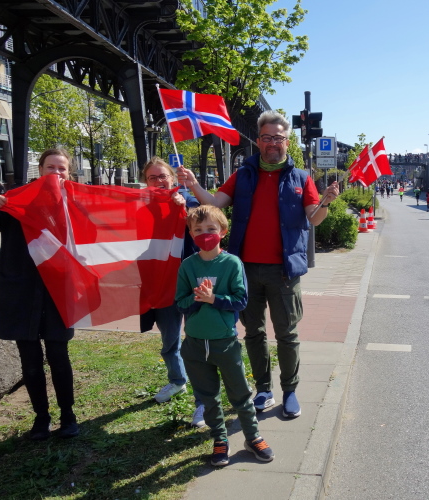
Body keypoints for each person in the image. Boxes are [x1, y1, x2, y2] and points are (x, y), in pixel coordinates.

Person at [177, 110, 339, 419]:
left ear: (287, 141)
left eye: (278, 137)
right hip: (246, 270)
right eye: (266, 137)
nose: (272, 143)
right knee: (253, 332)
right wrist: (194, 184)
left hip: (284, 271)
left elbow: (314, 217)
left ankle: (290, 391)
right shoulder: (244, 174)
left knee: (287, 334)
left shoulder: (301, 178)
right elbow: (215, 203)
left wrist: (327, 202)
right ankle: (263, 389)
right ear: (258, 141)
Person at [0, 148, 79, 440]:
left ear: (69, 172)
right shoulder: (17, 198)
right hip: (20, 292)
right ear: (40, 170)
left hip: (58, 291)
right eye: (50, 167)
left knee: (58, 354)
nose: (56, 172)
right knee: (30, 358)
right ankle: (41, 418)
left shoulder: (75, 201)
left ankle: (68, 415)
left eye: (61, 168)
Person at [176, 205, 274, 466]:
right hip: (195, 345)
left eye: (211, 228)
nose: (205, 234)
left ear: (223, 231)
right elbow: (180, 303)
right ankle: (220, 439)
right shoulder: (188, 266)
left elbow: (241, 301)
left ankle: (252, 437)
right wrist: (197, 298)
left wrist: (214, 298)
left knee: (240, 394)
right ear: (191, 233)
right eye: (198, 230)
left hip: (225, 343)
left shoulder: (232, 263)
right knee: (208, 398)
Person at [138, 157, 206, 427]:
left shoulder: (188, 201)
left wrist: (185, 209)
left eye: (162, 176)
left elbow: (205, 227)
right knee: (169, 342)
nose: (158, 181)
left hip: (189, 282)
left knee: (197, 342)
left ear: (172, 178)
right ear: (146, 181)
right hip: (161, 284)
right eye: (152, 177)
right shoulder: (140, 205)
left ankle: (203, 401)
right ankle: (177, 380)